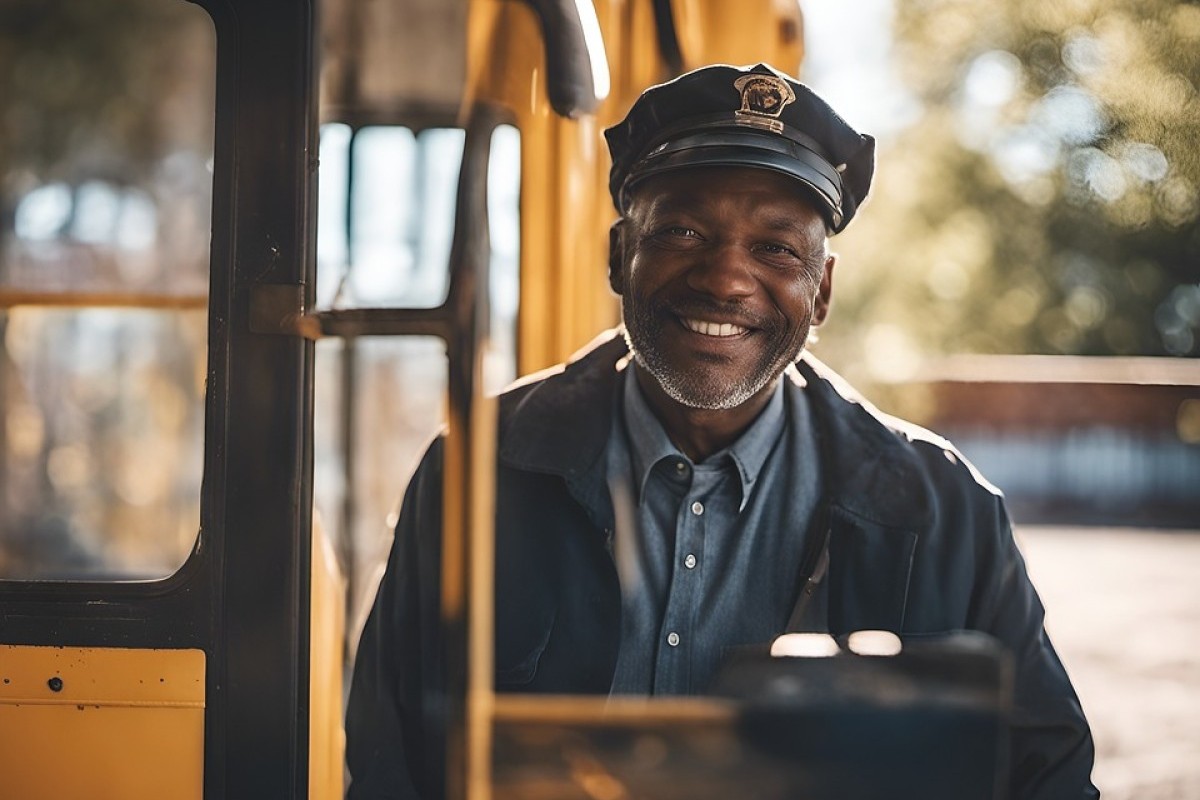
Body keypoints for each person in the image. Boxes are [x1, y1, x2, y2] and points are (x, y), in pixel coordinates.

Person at [346, 63, 1098, 799]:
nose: (725, 278)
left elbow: (1045, 778)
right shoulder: (477, 468)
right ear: (619, 256)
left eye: (774, 247)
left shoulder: (942, 508)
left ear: (822, 289)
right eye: (682, 230)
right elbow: (391, 761)